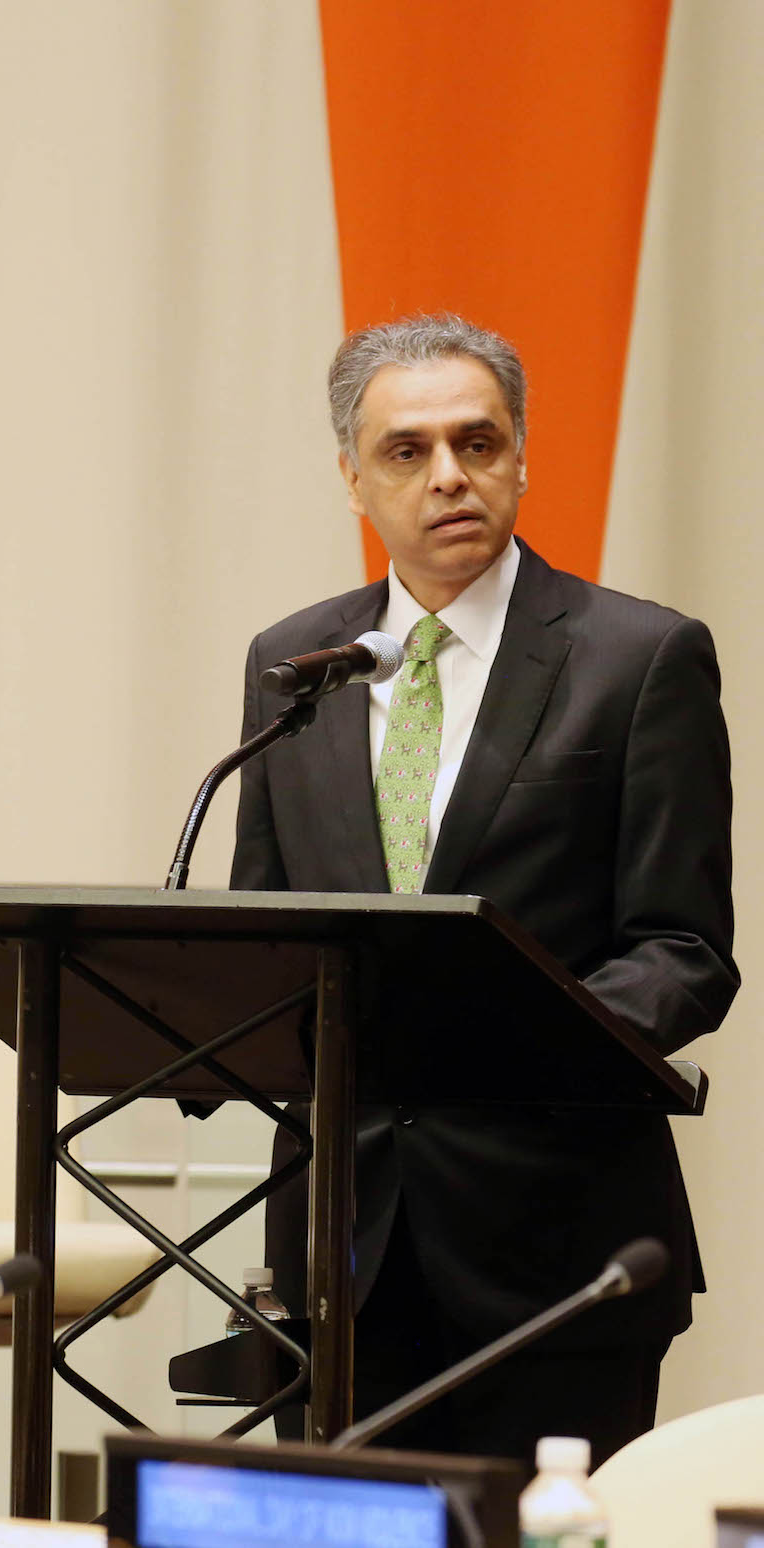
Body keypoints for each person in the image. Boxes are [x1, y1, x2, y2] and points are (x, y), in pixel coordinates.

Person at [232, 313, 738, 1466]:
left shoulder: (639, 658)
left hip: (557, 1239)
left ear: (522, 456)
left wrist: (513, 1043)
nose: (449, 475)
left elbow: (682, 950)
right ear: (353, 476)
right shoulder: (295, 666)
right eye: (407, 451)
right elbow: (266, 929)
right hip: (340, 1246)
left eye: (480, 441)